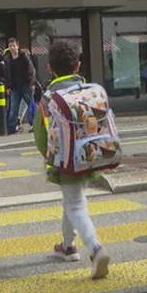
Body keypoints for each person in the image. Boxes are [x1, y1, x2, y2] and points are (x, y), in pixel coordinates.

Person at [33, 40, 111, 280]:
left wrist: (49, 156)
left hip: (65, 160)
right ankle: (68, 246)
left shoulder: (48, 97)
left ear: (49, 68)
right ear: (78, 66)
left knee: (75, 204)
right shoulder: (89, 90)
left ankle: (96, 248)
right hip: (91, 155)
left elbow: (40, 133)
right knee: (73, 199)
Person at [4, 38, 36, 134]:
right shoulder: (8, 59)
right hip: (15, 87)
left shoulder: (24, 56)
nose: (12, 48)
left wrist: (32, 83)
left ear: (17, 46)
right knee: (14, 108)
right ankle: (12, 128)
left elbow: (31, 70)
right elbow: (7, 74)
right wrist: (8, 87)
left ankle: (35, 124)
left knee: (31, 105)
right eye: (10, 46)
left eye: (14, 45)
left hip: (26, 85)